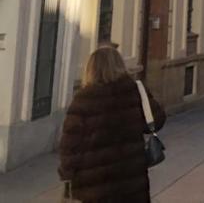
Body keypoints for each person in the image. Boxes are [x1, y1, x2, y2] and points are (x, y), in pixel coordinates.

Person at [59, 45, 166, 202]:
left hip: (94, 185)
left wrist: (67, 174)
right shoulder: (135, 91)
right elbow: (157, 120)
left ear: (91, 69)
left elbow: (70, 144)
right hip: (131, 181)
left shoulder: (83, 98)